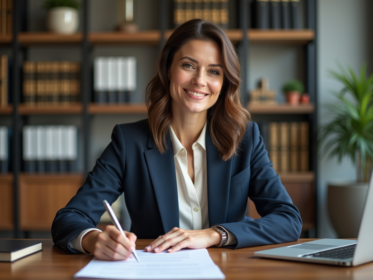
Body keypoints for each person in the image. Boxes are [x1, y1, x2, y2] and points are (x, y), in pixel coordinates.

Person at [52, 19, 302, 260]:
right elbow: (70, 218)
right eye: (189, 65)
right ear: (168, 68)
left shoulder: (246, 138)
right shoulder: (129, 142)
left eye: (214, 71)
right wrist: (94, 240)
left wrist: (215, 235)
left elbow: (288, 219)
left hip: (228, 270)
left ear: (224, 83)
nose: (200, 81)